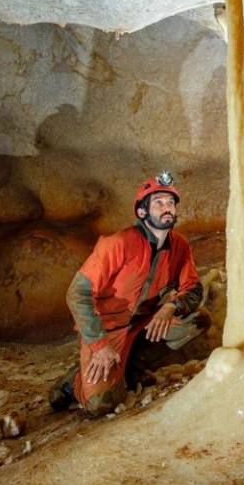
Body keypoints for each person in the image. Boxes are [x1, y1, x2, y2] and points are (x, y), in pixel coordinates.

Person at [49, 171, 210, 416]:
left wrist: (171, 307)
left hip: (144, 323)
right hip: (108, 329)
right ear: (143, 212)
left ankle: (132, 365)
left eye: (170, 203)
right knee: (100, 405)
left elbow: (193, 288)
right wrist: (100, 345)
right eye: (158, 203)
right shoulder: (119, 243)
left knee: (197, 320)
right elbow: (78, 294)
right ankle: (73, 383)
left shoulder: (179, 246)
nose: (166, 208)